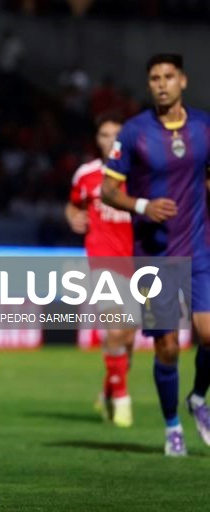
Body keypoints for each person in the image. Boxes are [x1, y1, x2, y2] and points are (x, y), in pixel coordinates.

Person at [102, 53, 210, 456]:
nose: (161, 83)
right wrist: (144, 206)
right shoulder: (133, 133)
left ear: (182, 80)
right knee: (167, 348)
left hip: (199, 247)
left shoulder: (204, 126)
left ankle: (198, 397)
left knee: (209, 333)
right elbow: (108, 190)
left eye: (168, 76)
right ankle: (172, 427)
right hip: (154, 256)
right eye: (154, 78)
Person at [65, 113, 137, 427]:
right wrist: (72, 217)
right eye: (105, 134)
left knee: (129, 337)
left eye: (116, 134)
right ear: (99, 139)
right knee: (117, 328)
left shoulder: (141, 173)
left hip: (139, 263)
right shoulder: (87, 174)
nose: (110, 140)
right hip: (102, 261)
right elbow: (73, 205)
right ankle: (122, 401)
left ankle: (108, 391)